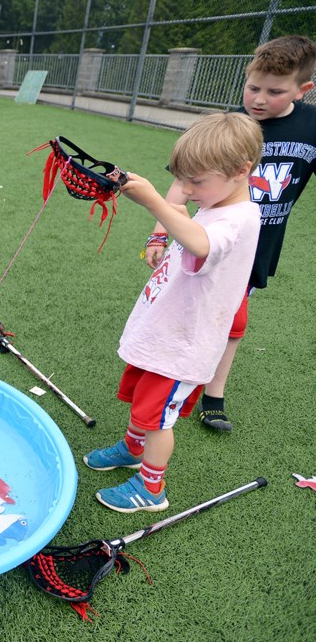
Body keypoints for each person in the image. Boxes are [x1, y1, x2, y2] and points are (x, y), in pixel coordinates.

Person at [85, 112, 263, 514]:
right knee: (143, 404)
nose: (183, 189)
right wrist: (162, 229)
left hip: (183, 348)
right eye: (180, 178)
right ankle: (132, 449)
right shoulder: (216, 202)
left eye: (194, 181)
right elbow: (190, 226)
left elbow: (202, 244)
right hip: (165, 334)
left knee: (158, 420)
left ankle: (152, 489)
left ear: (239, 171)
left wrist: (152, 200)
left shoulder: (238, 218)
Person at [144, 35, 316, 432]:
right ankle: (171, 377)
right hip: (206, 242)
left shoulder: (310, 126)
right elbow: (183, 182)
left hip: (256, 249)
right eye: (253, 87)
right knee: (188, 311)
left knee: (231, 322)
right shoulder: (229, 126)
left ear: (303, 90)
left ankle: (213, 393)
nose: (258, 98)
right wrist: (158, 232)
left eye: (274, 91)